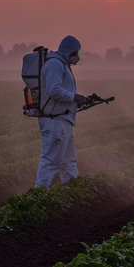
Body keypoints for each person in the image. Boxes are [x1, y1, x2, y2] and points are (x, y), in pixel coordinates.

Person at [35, 35, 91, 188]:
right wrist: (75, 97)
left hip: (64, 120)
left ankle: (72, 192)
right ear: (70, 53)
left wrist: (76, 102)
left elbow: (61, 93)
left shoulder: (62, 64)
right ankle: (38, 197)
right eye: (76, 53)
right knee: (50, 162)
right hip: (55, 121)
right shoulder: (54, 64)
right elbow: (54, 90)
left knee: (68, 162)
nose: (78, 57)